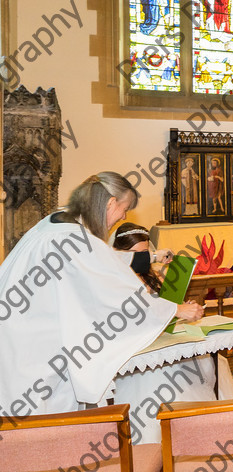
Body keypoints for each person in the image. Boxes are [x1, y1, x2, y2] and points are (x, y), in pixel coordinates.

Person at [0, 172, 203, 417]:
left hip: (17, 332)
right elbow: (116, 294)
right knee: (44, 423)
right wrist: (176, 310)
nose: (123, 218)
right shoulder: (76, 237)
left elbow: (103, 261)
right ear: (110, 203)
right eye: (124, 209)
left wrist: (151, 256)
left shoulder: (56, 222)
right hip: (38, 346)